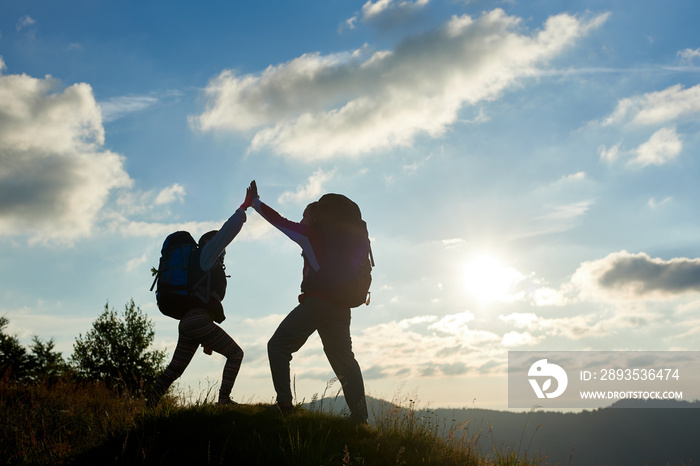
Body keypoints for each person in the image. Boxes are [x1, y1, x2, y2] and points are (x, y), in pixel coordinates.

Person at [251, 185, 369, 423]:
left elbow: (279, 222)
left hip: (318, 303)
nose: (301, 221)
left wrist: (255, 203)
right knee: (344, 360)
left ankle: (284, 404)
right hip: (341, 306)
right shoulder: (338, 241)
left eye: (304, 216)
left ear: (314, 218)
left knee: (278, 345)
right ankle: (360, 417)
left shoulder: (310, 235)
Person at [147, 184, 255, 408]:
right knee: (236, 354)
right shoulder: (205, 256)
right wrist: (244, 207)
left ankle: (148, 408)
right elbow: (228, 231)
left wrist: (206, 339)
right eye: (220, 248)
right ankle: (224, 400)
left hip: (189, 322)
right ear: (211, 244)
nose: (223, 252)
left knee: (173, 370)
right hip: (197, 321)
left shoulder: (198, 265)